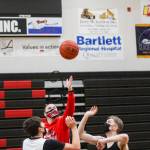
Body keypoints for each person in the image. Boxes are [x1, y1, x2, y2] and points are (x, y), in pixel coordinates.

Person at [43, 76, 75, 143]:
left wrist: (70, 90)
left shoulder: (62, 121)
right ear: (45, 114)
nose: (52, 109)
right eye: (49, 108)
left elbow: (70, 109)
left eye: (54, 108)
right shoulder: (42, 126)